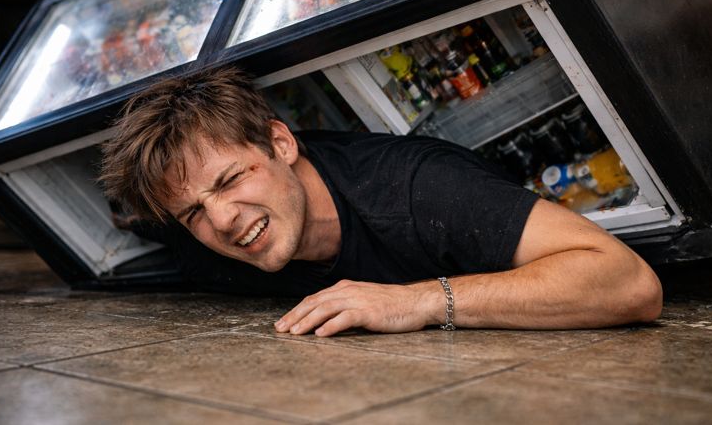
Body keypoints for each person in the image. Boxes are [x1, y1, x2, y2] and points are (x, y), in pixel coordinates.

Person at [99, 66, 662, 337]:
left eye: (229, 181)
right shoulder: (198, 237)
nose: (222, 221)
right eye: (194, 212)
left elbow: (629, 283)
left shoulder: (416, 189)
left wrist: (419, 301)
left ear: (281, 144)